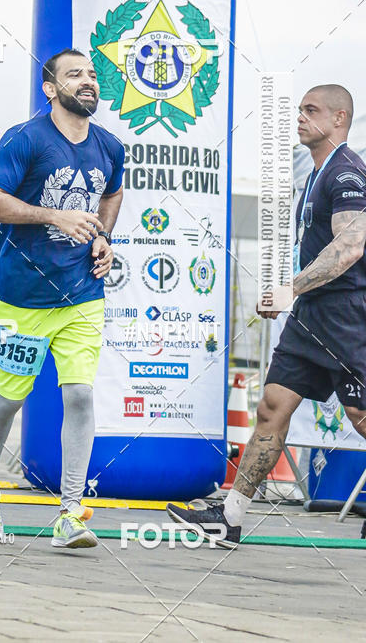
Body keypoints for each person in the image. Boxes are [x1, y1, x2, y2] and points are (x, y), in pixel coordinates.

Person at [168, 84, 366, 547]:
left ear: (339, 118)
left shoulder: (347, 173)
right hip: (310, 316)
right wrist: (293, 295)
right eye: (298, 109)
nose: (299, 117)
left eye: (310, 110)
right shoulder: (317, 176)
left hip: (347, 317)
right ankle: (229, 517)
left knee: (360, 416)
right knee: (271, 408)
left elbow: (351, 246)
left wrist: (288, 288)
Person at [0, 48, 125, 548]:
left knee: (79, 395)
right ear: (50, 88)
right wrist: (53, 215)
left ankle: (70, 513)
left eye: (93, 76)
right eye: (74, 74)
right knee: (8, 401)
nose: (88, 83)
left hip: (82, 293)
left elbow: (112, 194)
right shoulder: (26, 138)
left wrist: (103, 236)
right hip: (21, 297)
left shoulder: (110, 145)